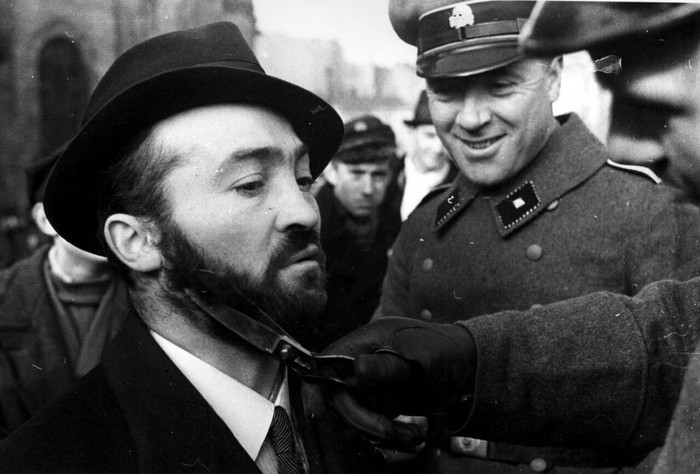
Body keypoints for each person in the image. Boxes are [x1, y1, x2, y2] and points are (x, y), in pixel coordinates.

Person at [321, 2, 700, 473]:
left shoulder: (651, 211)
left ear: (554, 77)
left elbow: (684, 416)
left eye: (501, 86)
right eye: (446, 91)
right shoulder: (425, 222)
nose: (472, 118)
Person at [0, 22, 383, 473]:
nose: (304, 211)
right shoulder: (48, 462)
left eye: (303, 179)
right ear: (138, 241)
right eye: (250, 184)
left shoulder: (360, 423)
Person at [0, 144, 129, 439]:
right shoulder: (5, 300)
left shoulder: (160, 296)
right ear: (44, 220)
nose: (105, 218)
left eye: (114, 203)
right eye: (85, 203)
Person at [313, 115, 401, 350]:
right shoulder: (311, 229)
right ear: (332, 173)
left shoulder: (393, 224)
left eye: (378, 175)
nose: (368, 189)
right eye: (356, 173)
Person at [396, 90, 456, 221]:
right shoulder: (391, 172)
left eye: (445, 139)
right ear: (412, 133)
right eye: (430, 136)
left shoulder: (459, 183)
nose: (438, 149)